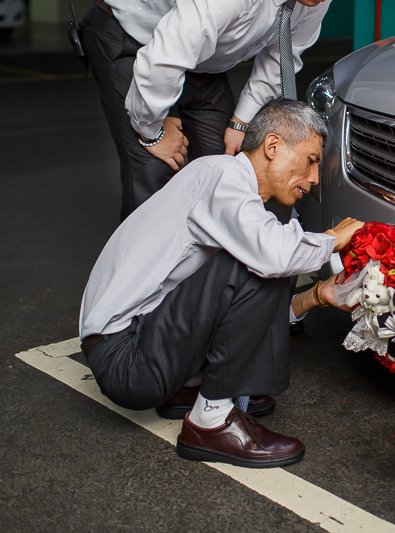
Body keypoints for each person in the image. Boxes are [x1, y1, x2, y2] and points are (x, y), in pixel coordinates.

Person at [78, 99, 363, 467]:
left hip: (140, 343)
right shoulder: (222, 175)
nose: (313, 177)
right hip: (125, 360)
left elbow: (231, 303)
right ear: (272, 146)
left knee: (271, 250)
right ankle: (210, 422)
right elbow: (273, 257)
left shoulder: (224, 184)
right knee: (271, 253)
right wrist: (333, 238)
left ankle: (198, 387)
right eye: (311, 160)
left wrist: (315, 297)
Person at [81, 0, 373, 219]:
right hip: (131, 36)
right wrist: (153, 131)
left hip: (201, 54)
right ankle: (147, 267)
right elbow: (162, 61)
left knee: (229, 161)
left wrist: (241, 121)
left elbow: (282, 56)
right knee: (155, 170)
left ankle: (212, 266)